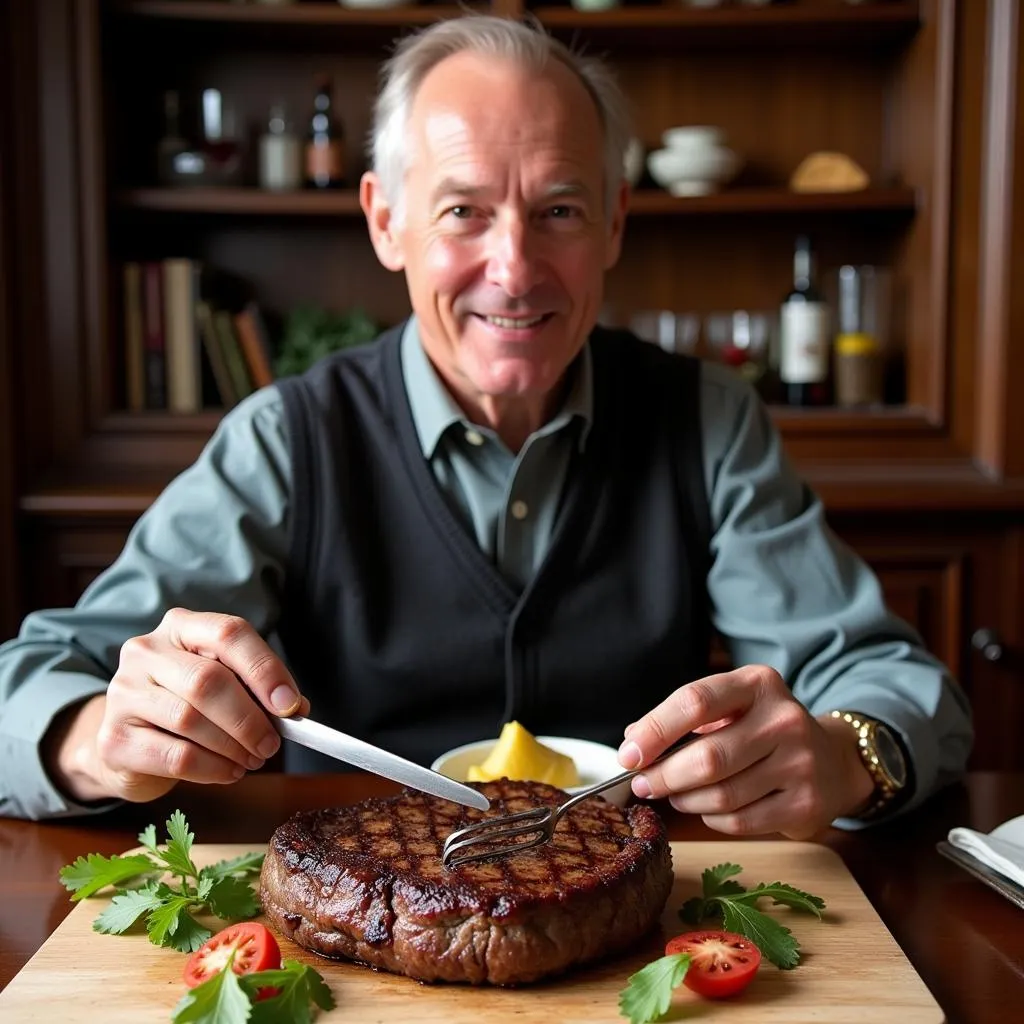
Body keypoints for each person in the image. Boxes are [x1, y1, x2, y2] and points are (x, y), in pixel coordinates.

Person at [0, 15, 971, 834]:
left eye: (558, 209)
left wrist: (851, 757)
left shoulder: (707, 422)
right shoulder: (285, 439)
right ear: (386, 222)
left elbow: (889, 678)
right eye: (463, 211)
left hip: (643, 932)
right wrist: (92, 738)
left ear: (616, 224)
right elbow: (31, 681)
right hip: (359, 933)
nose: (513, 269)